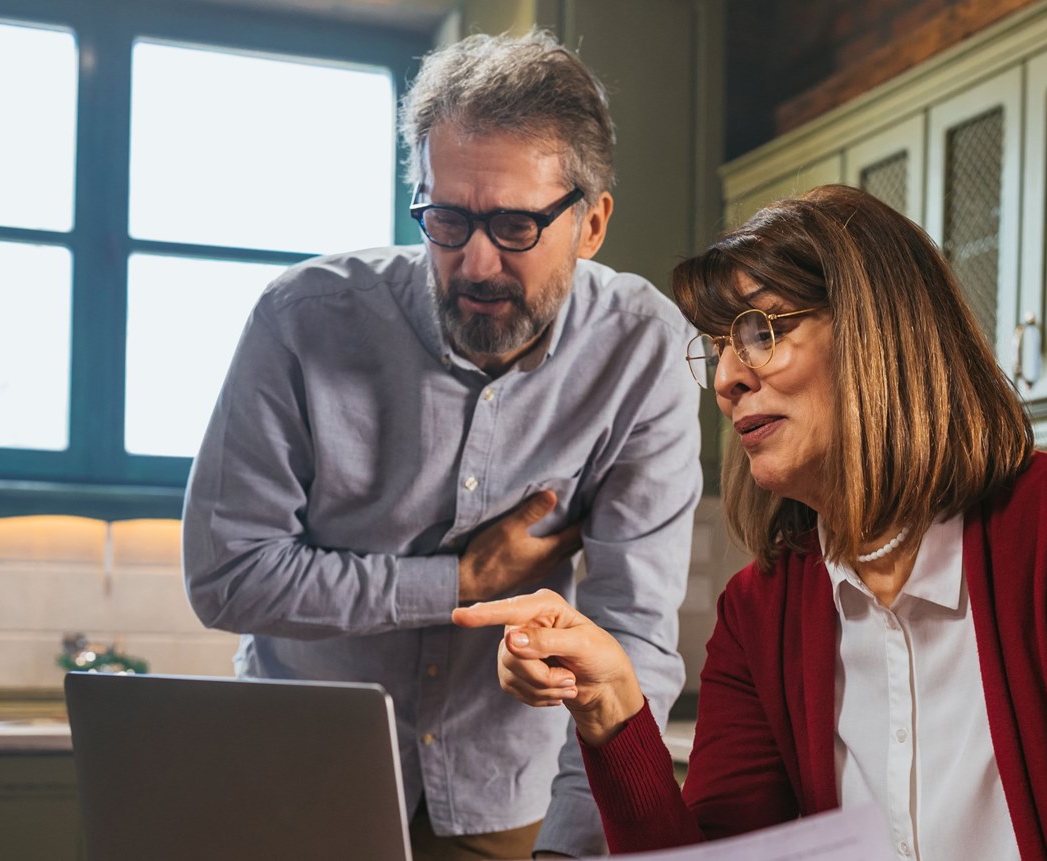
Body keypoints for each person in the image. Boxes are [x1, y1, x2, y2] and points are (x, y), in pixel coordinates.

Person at [455, 185, 1047, 860]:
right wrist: (612, 711)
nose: (727, 377)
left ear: (877, 331)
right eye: (719, 349)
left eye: (761, 331)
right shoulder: (758, 613)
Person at [181, 29, 701, 861]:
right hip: (294, 783)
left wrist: (572, 847)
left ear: (593, 221)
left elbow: (632, 635)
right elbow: (225, 575)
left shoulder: (645, 351)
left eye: (516, 225)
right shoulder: (301, 320)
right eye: (447, 219)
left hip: (506, 793)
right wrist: (452, 583)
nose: (476, 262)